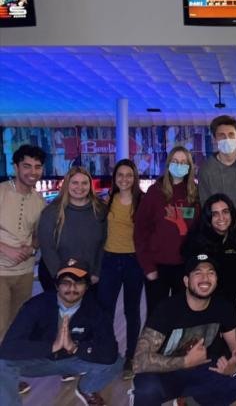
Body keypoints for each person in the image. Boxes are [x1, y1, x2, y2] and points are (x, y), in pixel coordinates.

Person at [131, 252, 236, 406]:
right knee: (147, 388)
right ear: (186, 281)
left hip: (202, 369)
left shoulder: (223, 307)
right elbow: (138, 361)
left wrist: (234, 366)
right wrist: (184, 362)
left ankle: (191, 401)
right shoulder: (167, 309)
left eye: (210, 273)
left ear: (216, 280)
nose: (205, 278)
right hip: (166, 372)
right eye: (198, 273)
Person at [0, 260, 123, 406]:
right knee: (3, 362)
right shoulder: (35, 306)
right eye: (66, 282)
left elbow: (110, 351)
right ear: (57, 285)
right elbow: (8, 348)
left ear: (87, 287)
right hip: (38, 361)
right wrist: (51, 346)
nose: (72, 288)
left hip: (73, 360)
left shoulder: (96, 311)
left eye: (79, 282)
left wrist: (75, 347)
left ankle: (87, 388)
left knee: (116, 362)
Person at [0, 145, 45, 395]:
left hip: (24, 272)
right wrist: (5, 248)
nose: (32, 171)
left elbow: (38, 237)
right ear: (15, 167)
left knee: (16, 328)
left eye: (37, 167)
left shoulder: (39, 201)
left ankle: (9, 376)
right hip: (0, 271)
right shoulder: (0, 193)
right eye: (27, 166)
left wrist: (31, 247)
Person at [134, 146, 200, 317]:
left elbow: (198, 233)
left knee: (182, 316)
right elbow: (140, 232)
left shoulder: (193, 194)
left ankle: (179, 346)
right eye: (175, 161)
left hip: (184, 268)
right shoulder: (154, 192)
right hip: (158, 268)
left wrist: (195, 267)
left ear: (190, 167)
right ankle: (155, 346)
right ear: (169, 164)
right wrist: (148, 267)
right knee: (156, 318)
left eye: (184, 162)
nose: (179, 165)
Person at [97, 159, 144, 381]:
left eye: (129, 175)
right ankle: (108, 351)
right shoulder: (106, 200)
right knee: (105, 310)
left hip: (134, 262)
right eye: (120, 175)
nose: (124, 179)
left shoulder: (142, 202)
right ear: (114, 177)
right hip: (109, 260)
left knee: (131, 311)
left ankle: (130, 357)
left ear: (134, 178)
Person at [38, 166, 107, 291]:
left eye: (84, 183)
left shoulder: (100, 210)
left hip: (90, 277)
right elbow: (47, 247)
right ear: (66, 185)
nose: (80, 187)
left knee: (88, 311)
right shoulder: (52, 212)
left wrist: (96, 272)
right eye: (75, 182)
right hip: (56, 276)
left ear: (90, 185)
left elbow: (104, 244)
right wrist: (60, 276)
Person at [183, 193, 236, 313]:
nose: (221, 218)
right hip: (204, 306)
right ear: (208, 218)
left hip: (230, 304)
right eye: (215, 214)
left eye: (225, 212)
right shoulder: (197, 242)